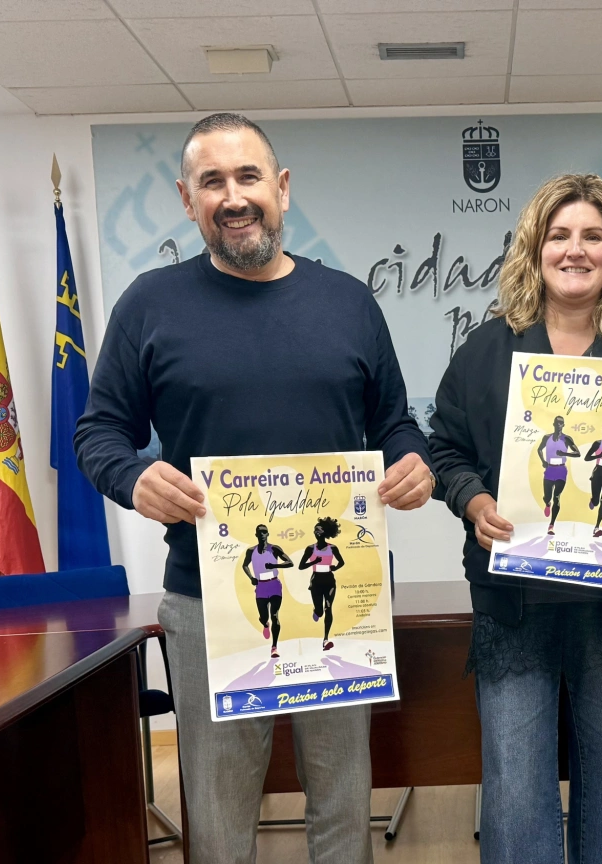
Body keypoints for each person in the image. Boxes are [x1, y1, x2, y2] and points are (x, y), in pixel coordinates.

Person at [75, 112, 434, 864]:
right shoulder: (149, 304)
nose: (234, 197)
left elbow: (395, 424)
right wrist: (134, 476)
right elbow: (98, 433)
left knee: (343, 805)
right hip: (208, 601)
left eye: (248, 177)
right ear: (187, 199)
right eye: (212, 182)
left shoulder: (349, 303)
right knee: (218, 817)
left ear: (282, 188)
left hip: (342, 601)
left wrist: (413, 462)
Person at [427, 173, 602, 864]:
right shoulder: (486, 350)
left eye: (593, 236)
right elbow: (445, 450)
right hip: (514, 601)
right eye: (559, 236)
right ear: (535, 249)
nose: (575, 250)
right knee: (515, 786)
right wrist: (473, 500)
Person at [242, 523, 294, 658]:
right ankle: (265, 624)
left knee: (275, 615)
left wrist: (274, 565)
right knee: (264, 617)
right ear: (256, 535)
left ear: (268, 534)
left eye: (264, 532)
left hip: (274, 584)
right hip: (261, 586)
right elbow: (245, 565)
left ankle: (274, 647)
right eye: (260, 532)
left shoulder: (274, 549)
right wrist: (251, 578)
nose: (262, 534)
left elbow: (290, 562)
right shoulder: (251, 551)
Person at [299, 517, 346, 651]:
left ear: (325, 532)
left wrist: (335, 568)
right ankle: (316, 611)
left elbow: (341, 562)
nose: (316, 532)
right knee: (320, 611)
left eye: (319, 530)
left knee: (328, 608)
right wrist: (314, 562)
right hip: (316, 581)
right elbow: (301, 566)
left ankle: (326, 640)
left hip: (329, 581)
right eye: (315, 530)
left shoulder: (333, 548)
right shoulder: (310, 549)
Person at [537, 415, 580, 533]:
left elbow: (577, 453)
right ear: (553, 424)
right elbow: (539, 449)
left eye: (561, 423)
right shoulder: (547, 438)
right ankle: (547, 503)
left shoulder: (567, 439)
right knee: (547, 497)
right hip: (549, 469)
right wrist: (543, 461)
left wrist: (565, 454)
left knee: (557, 497)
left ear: (563, 425)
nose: (558, 425)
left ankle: (551, 525)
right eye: (557, 422)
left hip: (561, 470)